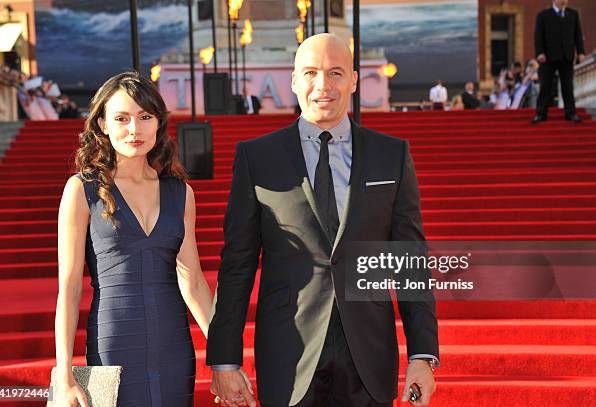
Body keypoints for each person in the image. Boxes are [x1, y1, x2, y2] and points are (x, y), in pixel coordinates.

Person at [207, 33, 439, 407]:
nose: (323, 85)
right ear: (294, 81)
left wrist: (421, 355)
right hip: (288, 354)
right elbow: (237, 264)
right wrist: (224, 359)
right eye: (311, 73)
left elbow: (410, 260)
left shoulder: (390, 155)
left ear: (354, 80)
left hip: (368, 353)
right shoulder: (257, 158)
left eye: (335, 73)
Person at [53, 72, 218, 406]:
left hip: (173, 343)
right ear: (102, 124)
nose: (134, 129)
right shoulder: (81, 190)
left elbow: (193, 281)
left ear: (158, 122)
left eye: (145, 117)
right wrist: (64, 373)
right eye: (121, 118)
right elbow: (69, 288)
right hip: (113, 341)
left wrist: (223, 355)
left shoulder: (180, 192)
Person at [532, 0, 585, 124]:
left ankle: (570, 113)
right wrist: (539, 52)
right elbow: (538, 35)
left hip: (567, 57)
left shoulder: (573, 14)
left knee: (568, 87)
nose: (565, 1)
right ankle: (541, 114)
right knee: (545, 86)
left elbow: (578, 34)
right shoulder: (543, 15)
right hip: (547, 58)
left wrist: (581, 52)